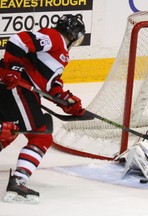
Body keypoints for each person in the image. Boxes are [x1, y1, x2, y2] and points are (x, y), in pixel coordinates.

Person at [0, 14, 86, 204]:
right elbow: (18, 40)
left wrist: (66, 100)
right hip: (16, 88)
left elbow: (50, 84)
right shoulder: (54, 37)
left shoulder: (61, 54)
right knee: (41, 135)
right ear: (73, 34)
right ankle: (19, 180)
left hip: (16, 88)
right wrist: (13, 69)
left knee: (10, 131)